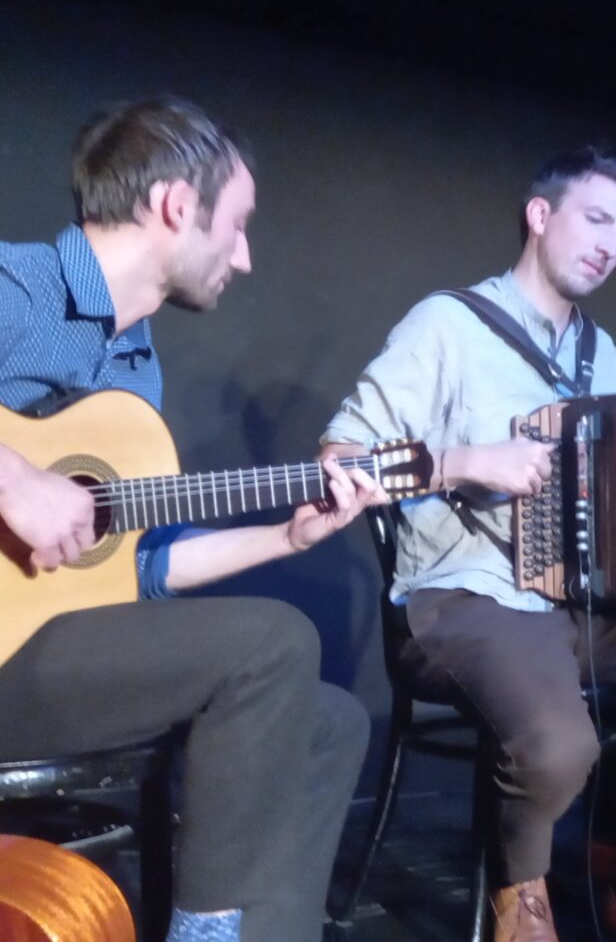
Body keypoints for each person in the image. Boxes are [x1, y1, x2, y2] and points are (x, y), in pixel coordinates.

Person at [322, 146, 616, 942]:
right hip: (466, 598)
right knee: (559, 744)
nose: (611, 244)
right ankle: (521, 896)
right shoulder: (447, 325)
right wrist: (463, 462)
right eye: (595, 219)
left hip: (587, 608)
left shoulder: (601, 356)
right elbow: (338, 459)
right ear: (540, 215)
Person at [0, 96, 380, 941]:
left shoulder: (135, 375)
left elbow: (141, 565)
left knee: (328, 723)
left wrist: (285, 536)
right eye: (236, 225)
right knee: (275, 640)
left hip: (53, 651)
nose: (244, 258)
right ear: (177, 206)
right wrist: (14, 478)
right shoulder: (13, 290)